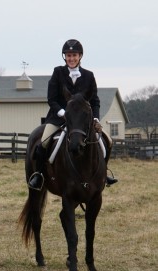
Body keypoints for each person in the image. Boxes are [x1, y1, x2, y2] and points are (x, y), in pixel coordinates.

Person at [28, 39, 118, 190]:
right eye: (68, 55)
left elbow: (95, 101)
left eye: (74, 55)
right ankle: (39, 175)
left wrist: (95, 118)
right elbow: (52, 99)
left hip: (83, 121)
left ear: (80, 56)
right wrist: (63, 113)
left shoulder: (89, 76)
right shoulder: (58, 72)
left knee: (108, 141)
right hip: (58, 117)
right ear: (65, 57)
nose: (71, 58)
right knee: (43, 142)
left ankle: (104, 173)